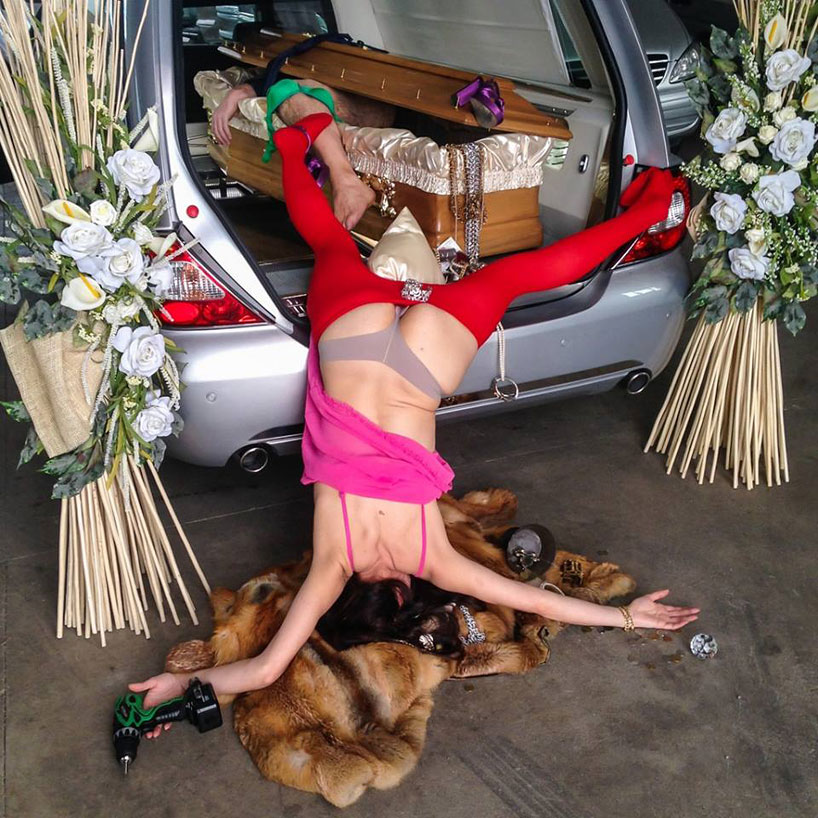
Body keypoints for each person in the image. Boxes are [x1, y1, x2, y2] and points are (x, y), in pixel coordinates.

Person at [131, 113, 699, 730]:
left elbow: (532, 598)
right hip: (351, 346)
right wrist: (173, 688)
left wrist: (629, 616)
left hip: (423, 368)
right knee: (329, 241)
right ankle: (296, 141)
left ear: (402, 596)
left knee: (517, 275)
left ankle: (655, 209)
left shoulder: (433, 560)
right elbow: (264, 670)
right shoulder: (332, 566)